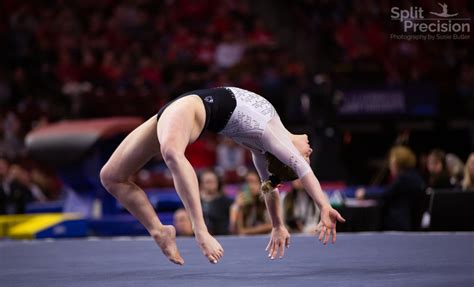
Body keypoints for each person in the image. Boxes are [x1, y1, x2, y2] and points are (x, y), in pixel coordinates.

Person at [100, 87, 345, 265]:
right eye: (308, 156)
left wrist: (323, 205)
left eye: (306, 156)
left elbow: (294, 175)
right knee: (111, 177)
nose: (310, 151)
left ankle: (200, 230)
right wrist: (278, 225)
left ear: (288, 157)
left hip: (190, 110)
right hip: (176, 109)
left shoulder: (271, 138)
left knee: (172, 153)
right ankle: (159, 230)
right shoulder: (263, 146)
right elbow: (269, 187)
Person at [356, 146, 425, 231]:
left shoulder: (404, 179)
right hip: (411, 223)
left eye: (392, 162)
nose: (390, 166)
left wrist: (365, 194)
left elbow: (385, 194)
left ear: (398, 163)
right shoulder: (415, 176)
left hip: (399, 225)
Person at [229, 170, 272, 235]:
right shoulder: (236, 205)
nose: (251, 186)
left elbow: (273, 225)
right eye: (248, 182)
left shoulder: (269, 200)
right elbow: (235, 230)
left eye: (254, 182)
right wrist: (239, 208)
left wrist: (247, 231)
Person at [199, 169, 233, 235]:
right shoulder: (195, 201)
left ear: (218, 183)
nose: (210, 184)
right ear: (201, 184)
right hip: (200, 236)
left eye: (212, 181)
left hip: (222, 236)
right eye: (207, 182)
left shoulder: (226, 202)